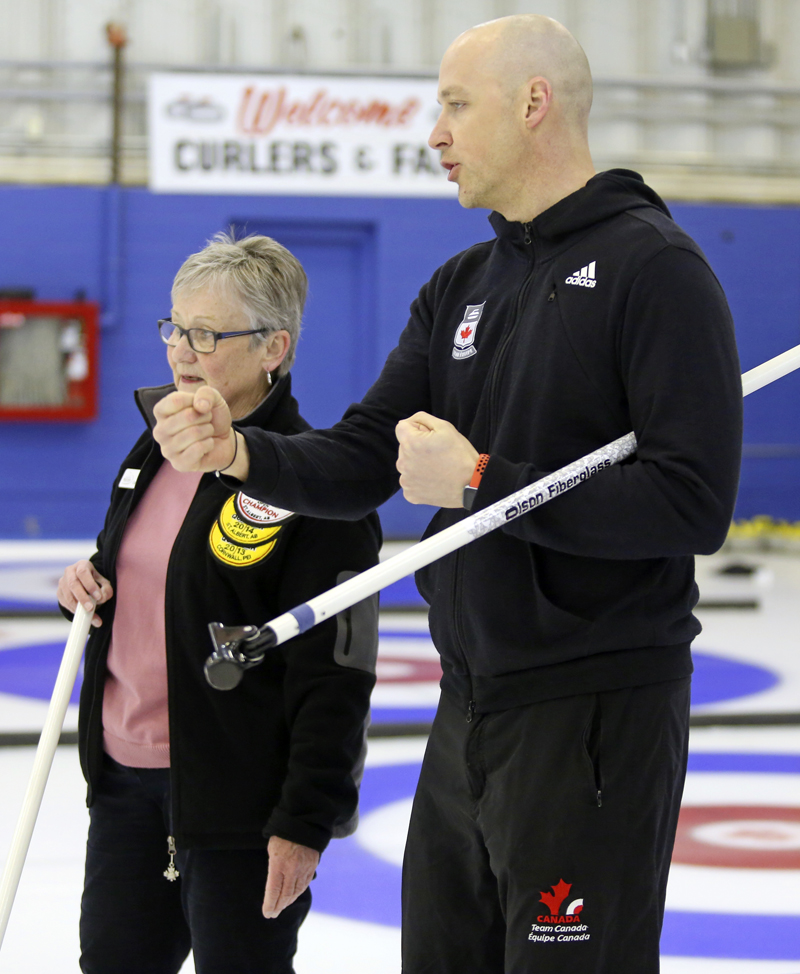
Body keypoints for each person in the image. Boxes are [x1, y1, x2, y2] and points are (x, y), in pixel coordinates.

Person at [152, 15, 743, 974]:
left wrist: (476, 484)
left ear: (533, 104)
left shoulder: (657, 271)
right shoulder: (461, 284)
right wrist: (241, 452)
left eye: (455, 105)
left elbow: (691, 503)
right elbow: (357, 460)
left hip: (593, 712)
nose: (436, 132)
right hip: (467, 705)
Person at [56, 232, 381, 974]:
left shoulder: (315, 485)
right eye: (175, 327)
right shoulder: (153, 448)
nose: (181, 351)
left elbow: (338, 676)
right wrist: (89, 581)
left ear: (274, 347)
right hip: (123, 785)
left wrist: (304, 823)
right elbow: (142, 574)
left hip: (240, 807)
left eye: (206, 334)